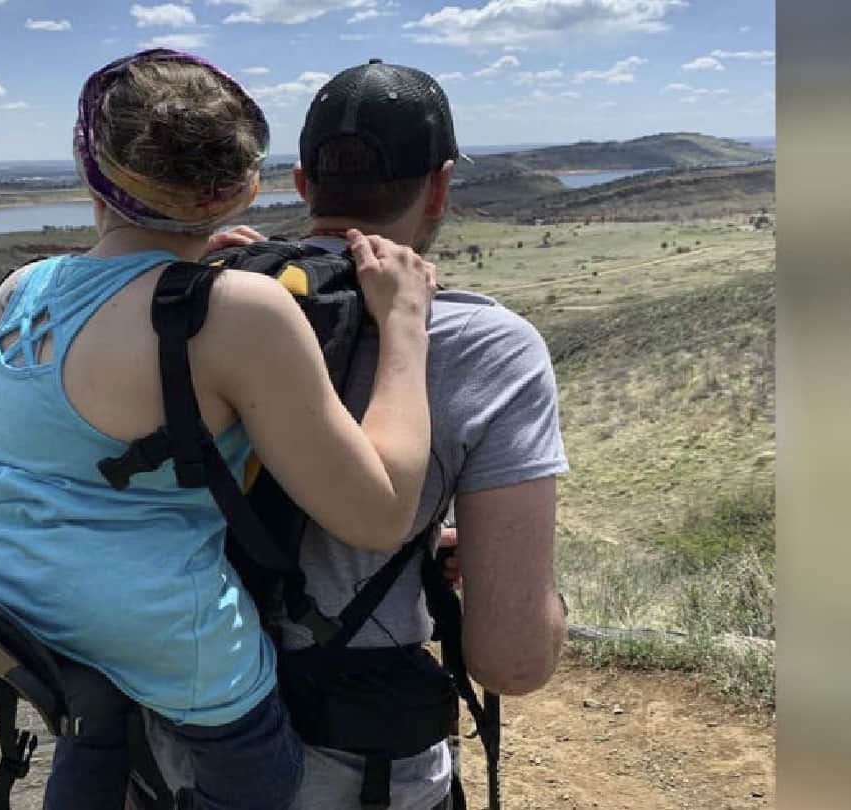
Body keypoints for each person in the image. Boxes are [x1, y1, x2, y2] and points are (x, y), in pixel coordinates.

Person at [0, 49, 438, 810]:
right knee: (265, 776)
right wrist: (404, 326)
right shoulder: (235, 313)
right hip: (147, 627)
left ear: (87, 165)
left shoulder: (20, 289)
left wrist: (194, 262)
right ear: (243, 187)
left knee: (93, 720)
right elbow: (380, 513)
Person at [146, 59, 570, 810]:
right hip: (362, 776)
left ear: (303, 183)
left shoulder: (195, 297)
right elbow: (511, 662)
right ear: (440, 186)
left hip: (175, 750)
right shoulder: (486, 344)